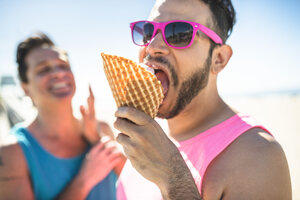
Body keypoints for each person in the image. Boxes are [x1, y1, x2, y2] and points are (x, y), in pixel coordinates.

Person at [113, 0, 292, 199]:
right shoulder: (143, 139)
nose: (153, 47)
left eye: (178, 33)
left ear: (219, 59)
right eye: (148, 32)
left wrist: (173, 179)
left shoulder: (257, 156)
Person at [0, 33, 125, 200]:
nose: (59, 73)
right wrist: (84, 180)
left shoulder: (100, 128)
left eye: (63, 65)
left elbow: (138, 187)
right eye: (44, 69)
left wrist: (98, 141)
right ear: (25, 87)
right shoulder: (12, 152)